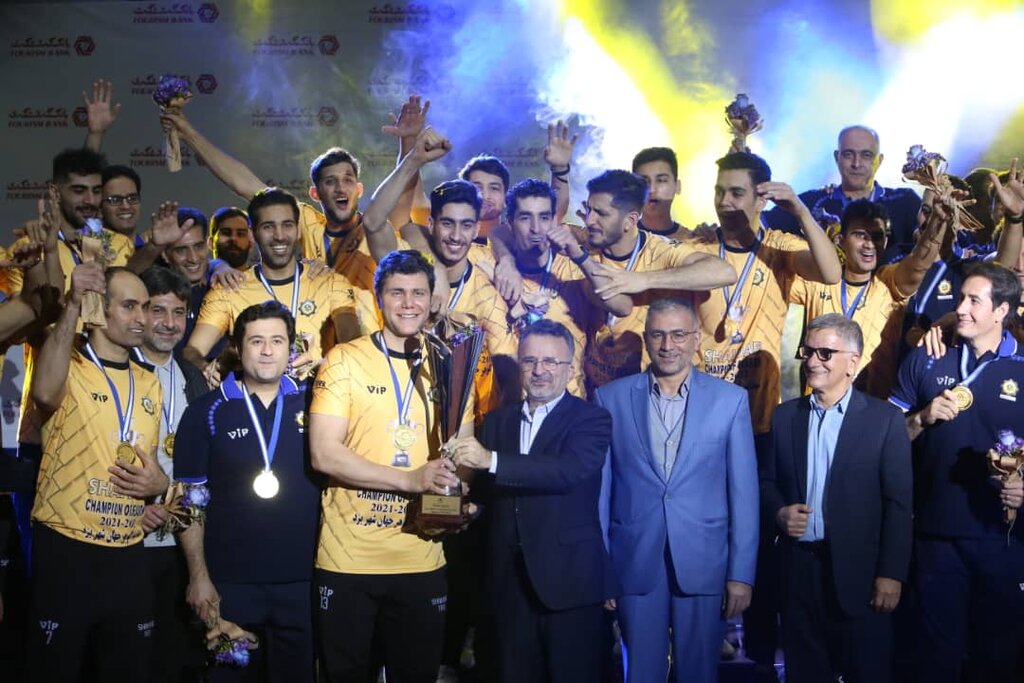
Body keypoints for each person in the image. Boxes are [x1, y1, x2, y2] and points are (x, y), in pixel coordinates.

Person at [309, 250, 472, 683]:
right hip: (349, 560)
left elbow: (463, 451)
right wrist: (410, 480)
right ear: (379, 298)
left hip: (421, 559)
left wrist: (457, 494)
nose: (408, 303)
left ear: (433, 299)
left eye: (418, 293)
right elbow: (323, 454)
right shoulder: (344, 360)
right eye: (397, 292)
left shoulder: (451, 365)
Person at [594, 297, 759, 683]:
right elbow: (601, 494)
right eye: (658, 335)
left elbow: (745, 496)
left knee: (699, 673)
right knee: (640, 674)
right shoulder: (610, 399)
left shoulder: (730, 401)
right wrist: (602, 568)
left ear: (696, 339)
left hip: (705, 562)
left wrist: (741, 574)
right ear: (646, 339)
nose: (668, 345)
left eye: (678, 334)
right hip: (633, 562)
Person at [449, 319, 616, 682]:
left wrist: (490, 460)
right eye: (530, 361)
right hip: (507, 585)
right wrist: (470, 509)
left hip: (568, 585)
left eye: (550, 361)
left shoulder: (592, 419)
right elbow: (490, 493)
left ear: (570, 368)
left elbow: (567, 471)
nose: (539, 370)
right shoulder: (497, 422)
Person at [27, 264, 166, 681]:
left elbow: (150, 463)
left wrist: (158, 486)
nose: (142, 318)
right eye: (129, 306)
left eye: (145, 307)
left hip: (128, 552)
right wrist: (73, 304)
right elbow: (44, 393)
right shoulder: (66, 361)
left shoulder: (150, 382)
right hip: (68, 548)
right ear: (99, 310)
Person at [889, 261, 1024, 682]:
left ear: (1001, 311)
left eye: (973, 301)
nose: (959, 308)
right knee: (935, 658)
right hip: (935, 537)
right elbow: (884, 440)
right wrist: (921, 418)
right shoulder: (927, 357)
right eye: (961, 297)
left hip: (1005, 539)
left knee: (997, 658)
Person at [761, 313, 912, 683]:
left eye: (825, 353)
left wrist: (891, 575)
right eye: (808, 351)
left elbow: (898, 505)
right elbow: (765, 482)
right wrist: (779, 513)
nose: (813, 361)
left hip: (861, 578)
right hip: (798, 574)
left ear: (853, 362)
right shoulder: (784, 417)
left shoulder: (884, 421)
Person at [175, 302, 321, 682]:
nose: (267, 350)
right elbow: (190, 501)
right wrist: (198, 577)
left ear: (291, 347)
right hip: (229, 586)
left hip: (302, 584)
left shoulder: (318, 405)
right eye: (256, 341)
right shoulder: (205, 412)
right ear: (238, 349)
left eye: (277, 340)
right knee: (228, 675)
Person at [183, 187, 374, 382]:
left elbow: (352, 345)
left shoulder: (331, 283)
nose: (279, 236)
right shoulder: (229, 290)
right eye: (268, 227)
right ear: (253, 233)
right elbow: (192, 351)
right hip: (254, 398)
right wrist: (206, 369)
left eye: (287, 225)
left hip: (318, 395)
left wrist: (320, 365)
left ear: (298, 230)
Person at [575, 169, 736, 392]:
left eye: (600, 213)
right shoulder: (584, 247)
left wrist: (644, 280)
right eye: (588, 210)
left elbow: (724, 272)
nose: (590, 220)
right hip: (596, 392)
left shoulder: (659, 251)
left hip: (650, 392)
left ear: (630, 220)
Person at [131, 266, 211, 682]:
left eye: (178, 312)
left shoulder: (194, 379)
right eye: (157, 310)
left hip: (181, 539)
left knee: (173, 654)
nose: (168, 323)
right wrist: (133, 508)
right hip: (131, 536)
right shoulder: (118, 368)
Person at [789, 198, 947, 398]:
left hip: (871, 407)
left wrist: (938, 222)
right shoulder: (817, 281)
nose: (870, 244)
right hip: (818, 403)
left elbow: (919, 264)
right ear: (840, 240)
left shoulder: (888, 283)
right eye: (860, 235)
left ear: (885, 242)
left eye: (877, 236)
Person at [766, 125, 921, 262]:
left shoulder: (904, 202)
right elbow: (760, 227)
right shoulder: (810, 203)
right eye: (848, 154)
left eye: (866, 155)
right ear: (837, 157)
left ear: (879, 160)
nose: (856, 163)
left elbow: (928, 243)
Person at [632, 146, 691, 240]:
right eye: (644, 181)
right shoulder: (619, 239)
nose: (652, 189)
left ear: (677, 186)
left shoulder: (692, 241)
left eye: (661, 180)